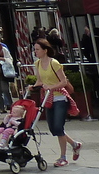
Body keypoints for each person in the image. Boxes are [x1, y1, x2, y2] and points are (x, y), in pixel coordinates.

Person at [32, 39, 81, 168]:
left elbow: (64, 81)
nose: (35, 52)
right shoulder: (37, 64)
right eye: (35, 49)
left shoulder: (54, 63)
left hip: (59, 98)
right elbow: (40, 81)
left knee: (59, 127)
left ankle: (63, 157)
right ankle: (75, 144)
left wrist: (51, 87)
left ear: (45, 50)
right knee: (53, 128)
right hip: (48, 99)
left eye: (37, 49)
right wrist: (32, 86)